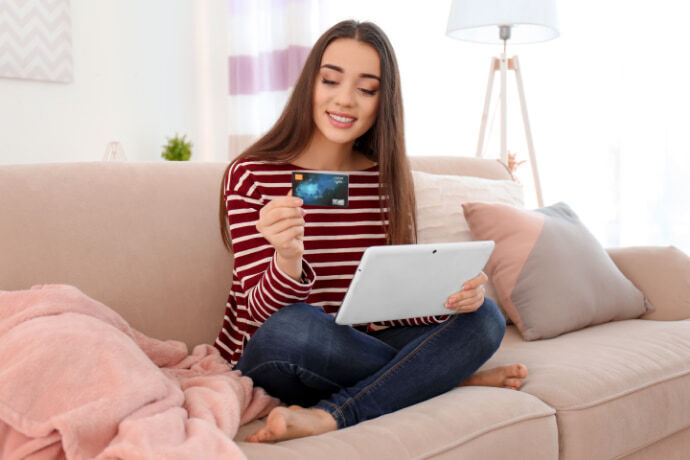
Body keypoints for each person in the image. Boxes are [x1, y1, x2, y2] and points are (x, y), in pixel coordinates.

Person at [215, 20, 527, 443]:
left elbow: (388, 305)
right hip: (278, 350)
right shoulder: (252, 175)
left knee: (484, 318)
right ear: (310, 84)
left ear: (384, 101)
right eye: (330, 80)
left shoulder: (386, 180)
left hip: (350, 346)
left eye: (367, 89)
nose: (344, 100)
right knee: (298, 328)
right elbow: (258, 316)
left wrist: (450, 300)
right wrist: (286, 259)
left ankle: (334, 414)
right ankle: (441, 378)